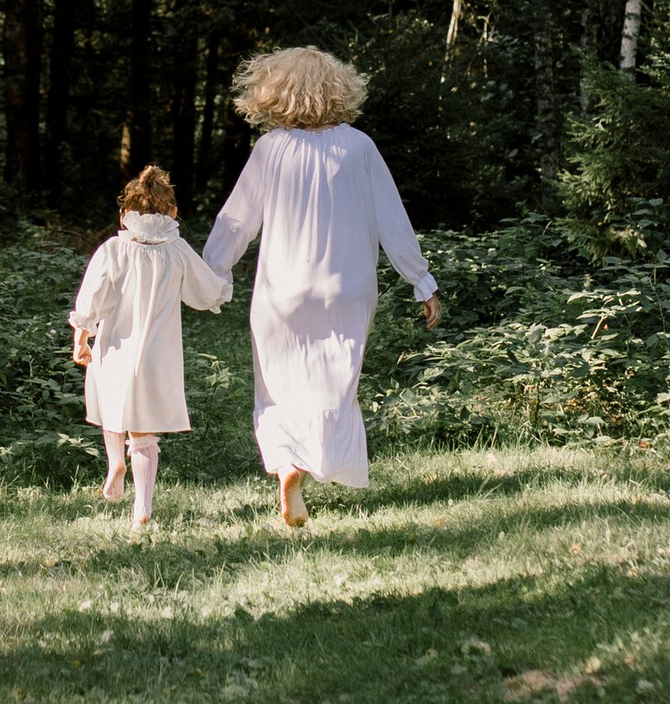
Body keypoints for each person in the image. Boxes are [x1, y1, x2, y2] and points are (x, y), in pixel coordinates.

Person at [201, 46, 439, 528]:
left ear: (275, 91)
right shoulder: (360, 146)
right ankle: (313, 463)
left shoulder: (271, 149)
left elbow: (236, 221)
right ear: (339, 89)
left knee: (276, 385)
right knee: (335, 384)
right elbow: (394, 220)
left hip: (282, 293)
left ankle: (288, 465)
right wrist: (421, 280)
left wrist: (213, 275)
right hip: (346, 290)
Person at [69, 162, 230, 535]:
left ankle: (115, 465)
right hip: (159, 355)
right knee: (144, 432)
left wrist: (82, 334)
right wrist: (223, 281)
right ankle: (142, 506)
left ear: (125, 215)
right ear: (172, 213)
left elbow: (92, 297)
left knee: (112, 405)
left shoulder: (113, 250)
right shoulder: (177, 251)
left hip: (114, 348)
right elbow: (206, 291)